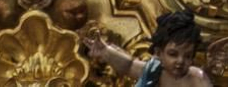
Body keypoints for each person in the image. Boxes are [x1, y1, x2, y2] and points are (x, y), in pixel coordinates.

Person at [84, 9, 213, 87]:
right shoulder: (154, 71)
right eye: (173, 54)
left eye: (188, 56)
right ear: (158, 53)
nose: (180, 61)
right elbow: (129, 65)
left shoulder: (197, 78)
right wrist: (106, 52)